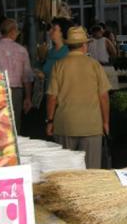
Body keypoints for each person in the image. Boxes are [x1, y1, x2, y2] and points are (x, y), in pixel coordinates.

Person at [46, 26, 111, 169]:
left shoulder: (59, 65)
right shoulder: (94, 65)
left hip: (65, 125)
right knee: (91, 172)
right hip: (91, 126)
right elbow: (104, 97)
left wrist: (50, 121)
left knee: (66, 172)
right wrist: (106, 122)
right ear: (84, 45)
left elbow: (52, 97)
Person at [0, 18, 34, 133]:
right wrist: (28, 98)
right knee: (14, 127)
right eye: (17, 31)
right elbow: (27, 76)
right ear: (12, 31)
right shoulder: (22, 50)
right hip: (15, 92)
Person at [42, 18, 72, 86]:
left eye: (54, 29)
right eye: (51, 28)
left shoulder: (68, 52)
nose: (50, 31)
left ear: (62, 32)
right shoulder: (51, 51)